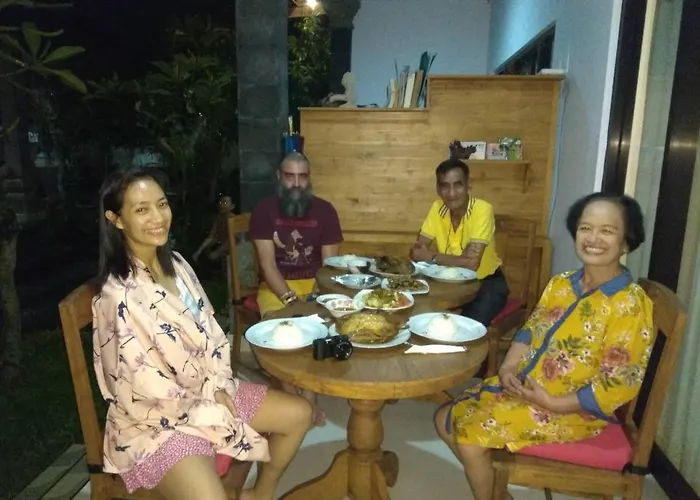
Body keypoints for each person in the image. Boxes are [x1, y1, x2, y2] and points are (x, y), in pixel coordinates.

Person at [92, 169, 312, 500]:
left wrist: (220, 385)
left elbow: (214, 335)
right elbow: (140, 389)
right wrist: (209, 406)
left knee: (299, 414)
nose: (158, 218)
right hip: (155, 424)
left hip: (210, 389)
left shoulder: (177, 265)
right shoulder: (117, 297)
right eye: (141, 209)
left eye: (161, 204)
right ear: (116, 219)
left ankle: (258, 495)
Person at [433, 193, 654, 500]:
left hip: (574, 411)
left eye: (607, 230)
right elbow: (529, 331)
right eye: (585, 228)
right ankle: (497, 494)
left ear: (626, 242)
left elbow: (617, 385)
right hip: (526, 388)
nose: (593, 238)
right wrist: (509, 367)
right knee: (444, 418)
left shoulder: (630, 304)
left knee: (469, 437)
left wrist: (552, 402)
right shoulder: (561, 284)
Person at [250, 152, 343, 426]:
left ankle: (309, 400)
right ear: (279, 177)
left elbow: (330, 266)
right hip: (276, 286)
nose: (297, 183)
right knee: (278, 334)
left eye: (303, 177)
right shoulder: (264, 211)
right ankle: (296, 401)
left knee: (323, 330)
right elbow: (268, 265)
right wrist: (291, 301)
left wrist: (314, 297)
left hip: (316, 285)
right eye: (290, 176)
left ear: (309, 178)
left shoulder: (326, 211)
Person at [411, 158, 509, 327]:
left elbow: (472, 264)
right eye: (445, 186)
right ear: (438, 189)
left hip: (486, 284)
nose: (451, 193)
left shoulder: (482, 209)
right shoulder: (437, 208)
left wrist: (432, 256)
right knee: (419, 317)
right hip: (447, 285)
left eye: (458, 185)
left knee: (463, 329)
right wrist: (458, 259)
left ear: (468, 185)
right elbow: (417, 252)